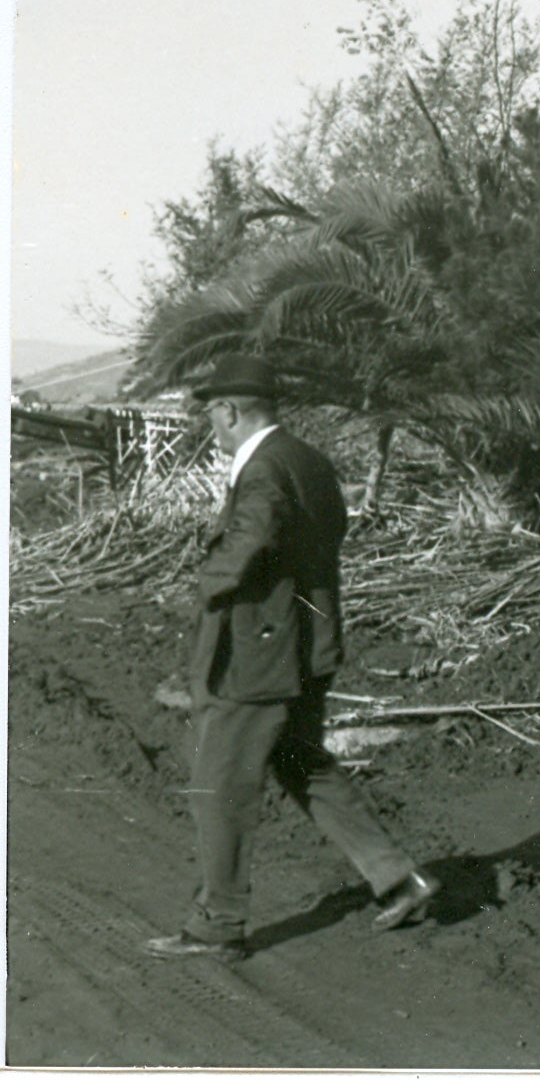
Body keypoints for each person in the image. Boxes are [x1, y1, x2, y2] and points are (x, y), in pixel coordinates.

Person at [144, 354, 438, 962]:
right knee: (302, 762)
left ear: (228, 411)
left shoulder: (262, 472)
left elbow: (251, 539)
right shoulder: (309, 461)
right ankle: (399, 877)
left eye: (211, 416)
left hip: (258, 656)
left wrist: (204, 589)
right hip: (310, 645)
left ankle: (217, 922)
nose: (212, 429)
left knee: (219, 787)